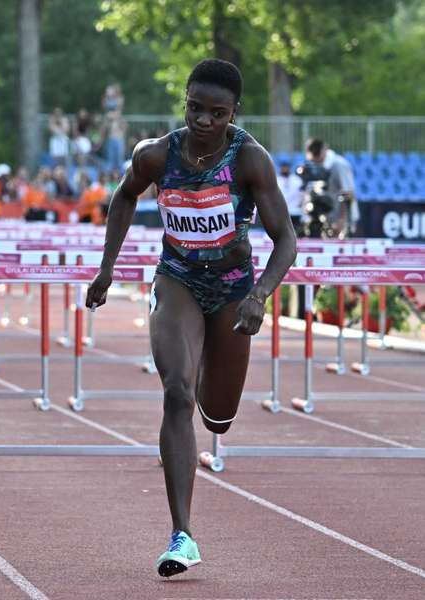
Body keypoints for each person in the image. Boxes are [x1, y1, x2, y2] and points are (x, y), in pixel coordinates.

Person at [85, 59, 296, 577]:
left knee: (217, 415)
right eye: (195, 108)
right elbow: (124, 197)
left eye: (216, 112)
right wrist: (106, 269)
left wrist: (260, 296)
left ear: (233, 113)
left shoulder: (250, 160)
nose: (204, 120)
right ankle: (182, 534)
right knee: (176, 392)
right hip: (176, 278)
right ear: (186, 102)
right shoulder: (157, 155)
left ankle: (208, 360)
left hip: (231, 292)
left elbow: (286, 239)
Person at [302, 138, 357, 238]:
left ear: (323, 151)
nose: (315, 162)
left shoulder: (339, 165)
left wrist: (341, 220)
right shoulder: (319, 167)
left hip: (342, 222)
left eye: (316, 158)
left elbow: (348, 194)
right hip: (328, 219)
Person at [276, 161, 304, 234]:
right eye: (283, 167)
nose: (284, 169)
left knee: (295, 232)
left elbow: (302, 196)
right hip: (280, 213)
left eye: (286, 167)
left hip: (295, 212)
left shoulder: (297, 180)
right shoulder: (276, 180)